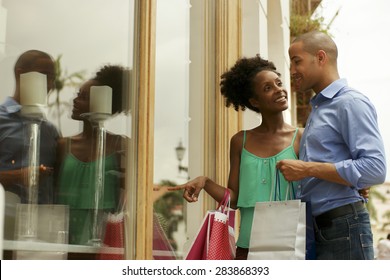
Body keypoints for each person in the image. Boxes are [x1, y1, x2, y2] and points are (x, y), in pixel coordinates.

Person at [170, 55, 302, 260]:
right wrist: (205, 182)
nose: (278, 90)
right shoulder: (240, 141)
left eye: (278, 83)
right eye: (268, 88)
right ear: (254, 101)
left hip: (291, 247)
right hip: (247, 249)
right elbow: (234, 199)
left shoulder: (301, 137)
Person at [277, 31, 387, 260]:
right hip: (322, 229)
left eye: (297, 61)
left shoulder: (350, 103)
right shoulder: (319, 108)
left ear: (320, 57)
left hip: (344, 227)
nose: (292, 71)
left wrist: (307, 169)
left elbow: (375, 168)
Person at [56, 65, 128, 246]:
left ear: (102, 103)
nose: (75, 101)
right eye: (78, 94)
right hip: (64, 230)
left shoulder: (121, 146)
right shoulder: (64, 146)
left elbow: (128, 196)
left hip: (105, 233)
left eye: (83, 97)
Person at [0, 50, 59, 204]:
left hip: (42, 222)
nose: (50, 84)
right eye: (44, 75)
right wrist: (20, 176)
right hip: (4, 221)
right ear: (21, 74)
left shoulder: (50, 131)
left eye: (52, 78)